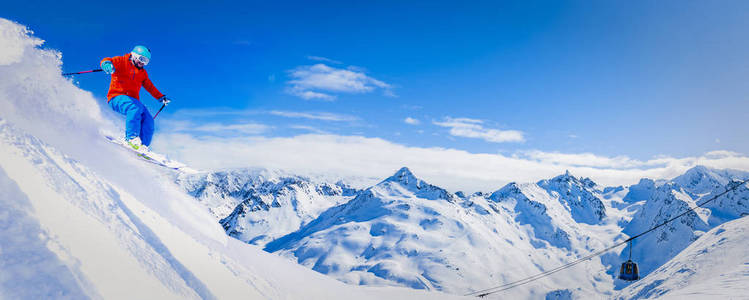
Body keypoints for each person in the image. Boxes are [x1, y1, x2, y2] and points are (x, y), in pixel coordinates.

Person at [101, 45, 170, 152]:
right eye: (142, 59)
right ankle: (131, 139)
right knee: (134, 107)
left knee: (148, 120)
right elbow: (108, 60)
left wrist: (161, 97)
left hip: (134, 101)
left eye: (146, 61)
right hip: (116, 97)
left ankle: (142, 145)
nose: (143, 63)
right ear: (134, 55)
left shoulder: (142, 73)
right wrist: (106, 64)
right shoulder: (122, 61)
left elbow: (150, 86)